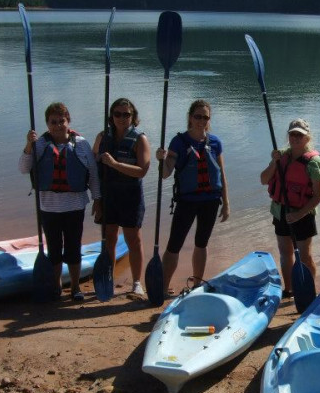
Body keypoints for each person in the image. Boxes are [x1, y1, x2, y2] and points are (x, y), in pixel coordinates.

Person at [18, 102, 101, 301]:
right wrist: (28, 144)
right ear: (47, 124)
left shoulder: (81, 144)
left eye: (61, 121)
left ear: (68, 121)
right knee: (54, 249)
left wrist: (97, 199)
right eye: (53, 122)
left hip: (74, 206)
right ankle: (55, 286)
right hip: (48, 207)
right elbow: (23, 168)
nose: (57, 125)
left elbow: (93, 175)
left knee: (73, 248)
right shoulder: (39, 145)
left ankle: (74, 287)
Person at [155, 99, 230, 294]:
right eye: (198, 116)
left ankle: (197, 284)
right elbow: (165, 173)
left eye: (205, 117)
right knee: (174, 244)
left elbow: (221, 173)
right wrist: (161, 160)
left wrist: (227, 203)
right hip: (187, 201)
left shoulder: (215, 142)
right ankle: (162, 287)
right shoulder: (178, 142)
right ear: (190, 117)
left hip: (211, 201)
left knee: (201, 242)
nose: (201, 121)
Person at [260, 118, 320, 298]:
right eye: (292, 134)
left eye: (300, 135)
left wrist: (299, 214)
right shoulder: (280, 156)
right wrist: (274, 162)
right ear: (288, 136)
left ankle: (308, 291)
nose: (296, 138)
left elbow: (318, 195)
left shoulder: (315, 163)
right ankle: (289, 289)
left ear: (307, 137)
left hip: (303, 214)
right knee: (285, 252)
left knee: (305, 256)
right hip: (280, 211)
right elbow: (264, 180)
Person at [92, 98, 150, 297]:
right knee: (109, 238)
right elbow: (93, 168)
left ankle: (136, 282)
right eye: (118, 114)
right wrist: (96, 200)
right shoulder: (102, 137)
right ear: (111, 116)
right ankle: (108, 278)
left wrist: (115, 164)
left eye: (127, 114)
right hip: (109, 195)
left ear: (133, 117)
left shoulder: (139, 139)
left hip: (130, 195)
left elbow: (142, 170)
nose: (122, 118)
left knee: (133, 239)